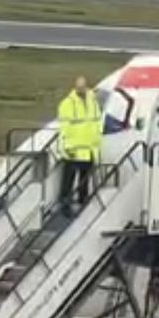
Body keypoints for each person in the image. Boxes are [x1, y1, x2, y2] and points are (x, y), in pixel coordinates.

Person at [57, 75, 103, 218]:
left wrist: (96, 145)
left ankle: (83, 202)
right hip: (74, 150)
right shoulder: (67, 104)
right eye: (79, 88)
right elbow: (64, 128)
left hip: (89, 149)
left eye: (83, 87)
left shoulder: (93, 102)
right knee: (68, 181)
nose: (82, 90)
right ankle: (65, 205)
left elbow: (96, 124)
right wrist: (67, 147)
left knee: (84, 180)